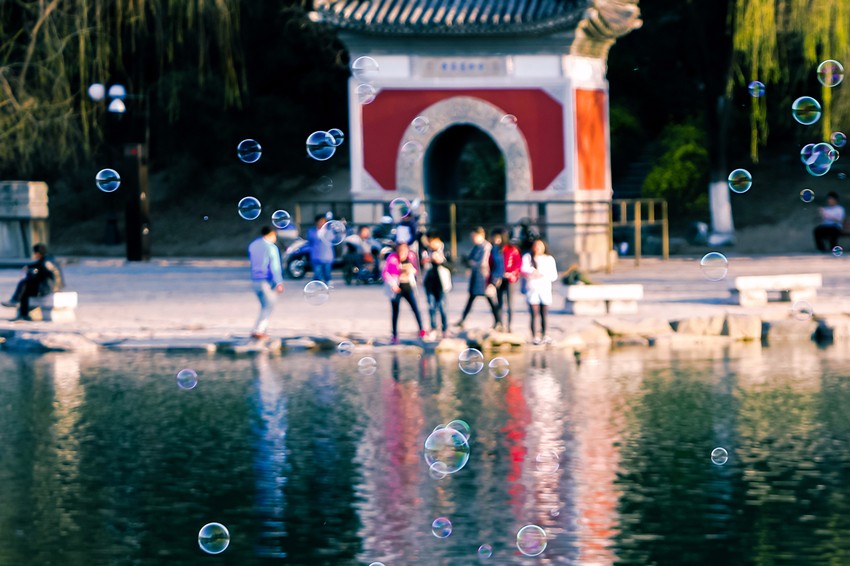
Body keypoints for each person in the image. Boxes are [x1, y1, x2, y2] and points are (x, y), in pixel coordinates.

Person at [2, 243, 63, 321]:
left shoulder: (45, 262)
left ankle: (17, 304)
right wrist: (29, 268)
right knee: (25, 288)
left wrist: (56, 288)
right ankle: (22, 312)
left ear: (37, 253)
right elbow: (38, 267)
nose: (34, 255)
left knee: (24, 285)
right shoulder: (47, 260)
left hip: (46, 288)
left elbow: (45, 271)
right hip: (47, 286)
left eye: (35, 253)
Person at [382, 242, 426, 344]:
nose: (403, 253)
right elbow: (385, 273)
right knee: (395, 311)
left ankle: (421, 330)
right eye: (401, 250)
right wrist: (393, 284)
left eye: (405, 250)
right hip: (396, 287)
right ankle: (394, 335)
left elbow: (416, 269)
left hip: (408, 286)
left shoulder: (411, 256)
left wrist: (411, 270)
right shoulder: (392, 258)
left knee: (415, 308)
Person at [456, 227, 499, 329]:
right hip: (476, 276)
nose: (473, 238)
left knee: (490, 299)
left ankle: (498, 321)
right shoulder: (477, 247)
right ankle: (462, 319)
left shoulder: (486, 247)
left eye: (474, 236)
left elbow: (483, 262)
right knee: (471, 298)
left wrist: (472, 263)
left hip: (484, 277)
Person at [248, 226, 285, 339]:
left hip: (255, 280)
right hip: (266, 282)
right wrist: (279, 282)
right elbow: (275, 267)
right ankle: (258, 330)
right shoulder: (271, 247)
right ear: (271, 234)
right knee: (269, 306)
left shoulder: (253, 245)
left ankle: (262, 329)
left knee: (265, 305)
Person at [521, 238, 558, 345]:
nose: (538, 248)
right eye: (536, 246)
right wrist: (533, 272)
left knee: (544, 313)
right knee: (534, 313)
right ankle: (534, 336)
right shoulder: (528, 258)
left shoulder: (549, 259)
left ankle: (545, 334)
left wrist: (542, 273)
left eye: (540, 246)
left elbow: (553, 275)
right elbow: (523, 269)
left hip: (545, 288)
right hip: (532, 289)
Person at [422, 231, 450, 338]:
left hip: (442, 283)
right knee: (431, 307)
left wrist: (441, 261)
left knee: (442, 307)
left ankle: (445, 329)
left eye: (431, 241)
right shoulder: (425, 251)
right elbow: (420, 265)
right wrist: (426, 261)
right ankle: (433, 328)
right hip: (429, 283)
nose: (430, 243)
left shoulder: (445, 250)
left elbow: (452, 266)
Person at [494, 231, 522, 332]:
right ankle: (500, 324)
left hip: (510, 279)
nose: (496, 241)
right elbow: (492, 264)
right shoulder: (495, 250)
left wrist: (512, 273)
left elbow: (518, 263)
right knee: (499, 302)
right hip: (498, 279)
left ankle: (509, 325)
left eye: (498, 238)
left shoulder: (512, 249)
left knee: (510, 302)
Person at [307, 213, 334, 283]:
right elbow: (310, 239)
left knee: (327, 273)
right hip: (316, 256)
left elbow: (332, 238)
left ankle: (327, 285)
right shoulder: (312, 231)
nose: (322, 223)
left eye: (324, 221)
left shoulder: (329, 231)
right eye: (320, 221)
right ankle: (317, 285)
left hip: (327, 256)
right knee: (317, 273)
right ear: (316, 222)